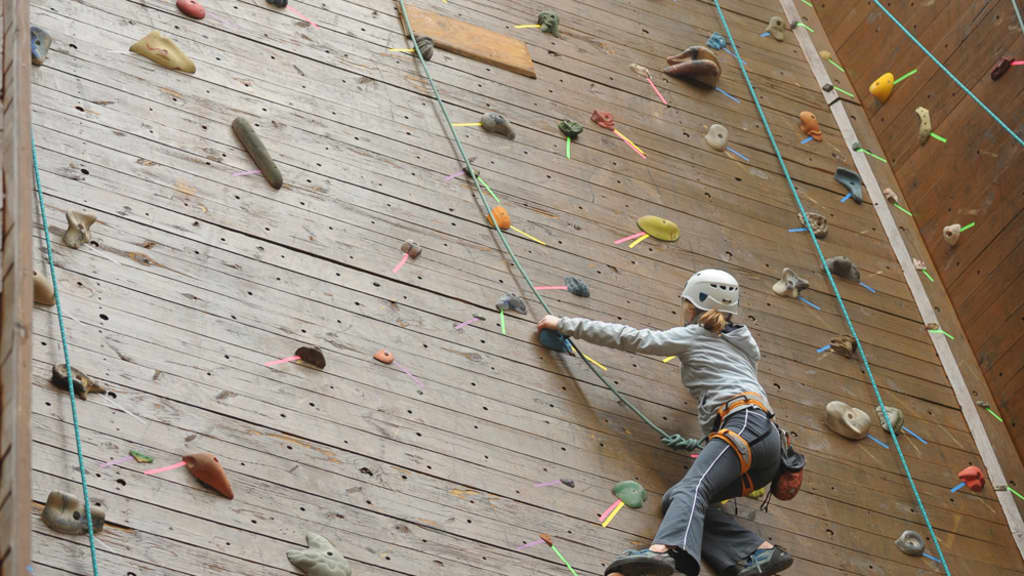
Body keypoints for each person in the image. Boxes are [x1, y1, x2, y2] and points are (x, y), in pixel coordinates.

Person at [536, 269, 793, 576]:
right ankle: (756, 553)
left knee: (691, 490)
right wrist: (703, 437)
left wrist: (565, 325)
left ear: (692, 305)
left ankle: (666, 552)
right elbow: (723, 384)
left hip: (742, 426)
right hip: (767, 446)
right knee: (681, 499)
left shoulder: (695, 335)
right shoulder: (743, 345)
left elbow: (634, 339)